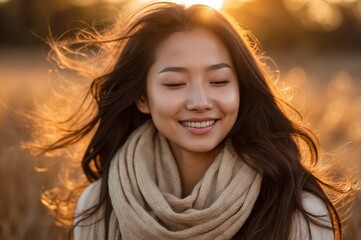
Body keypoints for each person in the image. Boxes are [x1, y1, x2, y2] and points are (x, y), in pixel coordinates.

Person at [38, 2, 356, 239]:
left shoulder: (298, 211)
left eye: (219, 82)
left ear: (242, 89)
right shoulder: (98, 206)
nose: (200, 102)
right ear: (142, 98)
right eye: (175, 84)